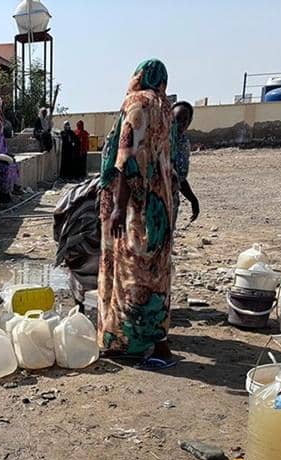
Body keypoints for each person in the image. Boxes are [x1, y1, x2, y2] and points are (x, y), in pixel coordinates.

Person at [98, 59, 176, 368]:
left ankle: (126, 343)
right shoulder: (165, 107)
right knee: (156, 273)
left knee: (129, 272)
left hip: (136, 205)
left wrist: (119, 206)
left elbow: (127, 158)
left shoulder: (137, 102)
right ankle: (158, 341)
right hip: (161, 204)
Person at [172, 101, 199, 223]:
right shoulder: (159, 140)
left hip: (170, 201)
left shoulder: (183, 143)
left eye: (185, 120)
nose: (181, 123)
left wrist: (193, 199)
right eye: (177, 119)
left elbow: (180, 178)